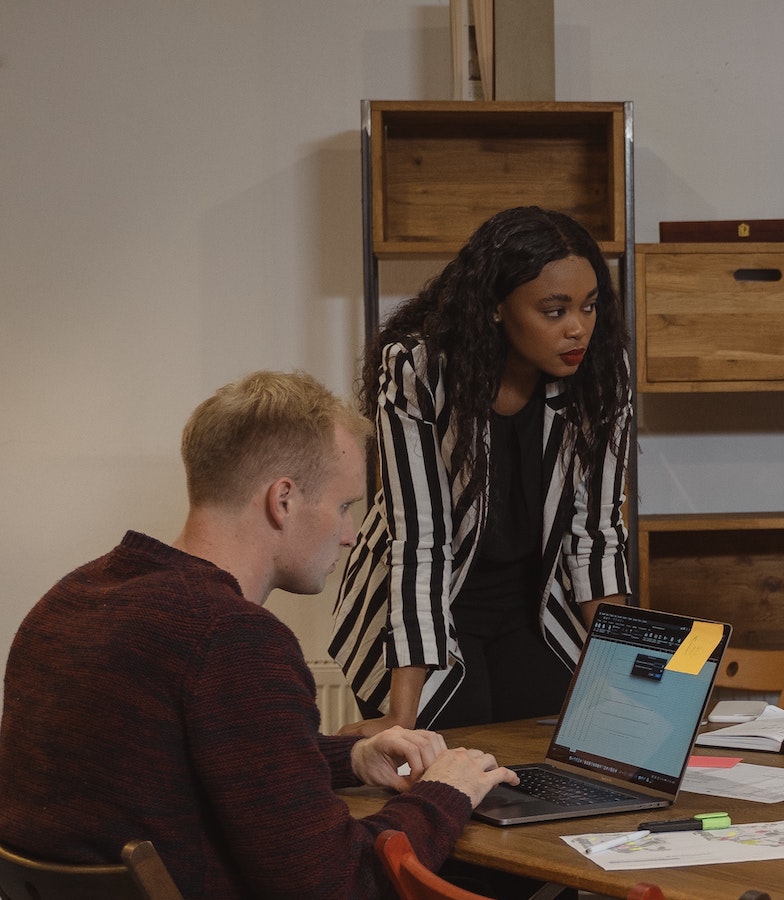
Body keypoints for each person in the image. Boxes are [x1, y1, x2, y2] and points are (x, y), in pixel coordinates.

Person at [0, 371, 518, 898]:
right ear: (283, 500)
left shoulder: (72, 597)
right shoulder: (232, 638)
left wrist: (349, 757)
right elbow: (339, 884)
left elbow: (205, 763)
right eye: (344, 507)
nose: (351, 534)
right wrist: (443, 794)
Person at [331, 206, 633, 735]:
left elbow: (598, 535)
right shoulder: (418, 369)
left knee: (557, 745)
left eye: (589, 307)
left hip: (533, 603)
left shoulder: (602, 371)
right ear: (496, 307)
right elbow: (418, 540)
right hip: (427, 603)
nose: (578, 328)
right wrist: (401, 718)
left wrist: (623, 676)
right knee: (440, 756)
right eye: (554, 310)